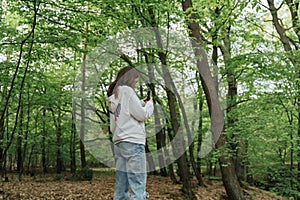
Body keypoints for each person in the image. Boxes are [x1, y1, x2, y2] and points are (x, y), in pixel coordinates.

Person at [107, 66, 154, 200]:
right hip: (133, 142)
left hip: (119, 143)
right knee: (138, 186)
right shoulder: (128, 91)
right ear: (129, 78)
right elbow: (142, 115)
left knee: (121, 189)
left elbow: (123, 113)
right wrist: (150, 105)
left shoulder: (114, 94)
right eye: (135, 78)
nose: (136, 81)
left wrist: (140, 102)